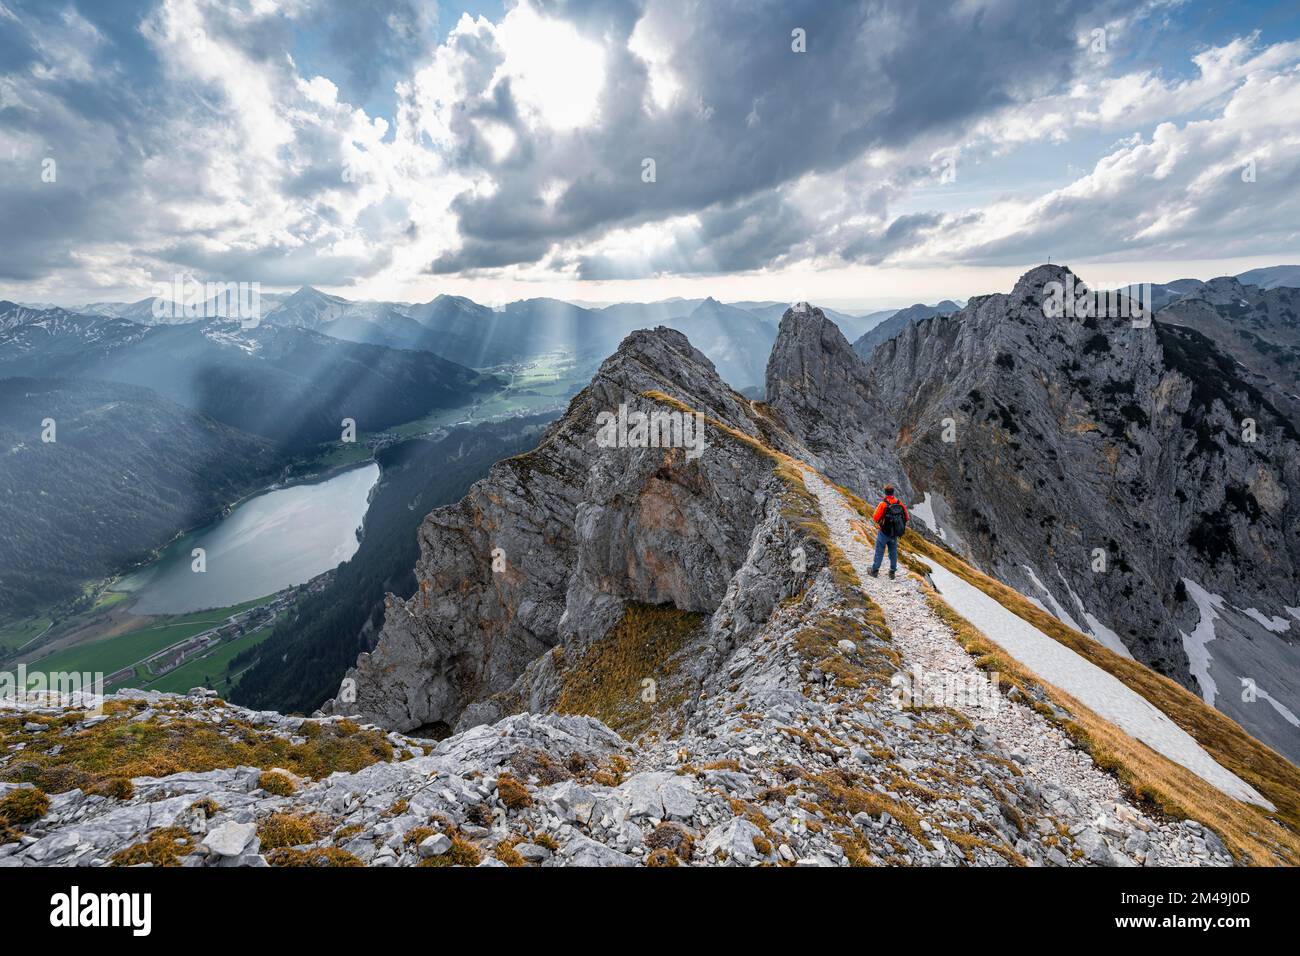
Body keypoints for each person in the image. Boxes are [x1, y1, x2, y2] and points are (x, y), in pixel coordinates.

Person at [869, 484, 908, 579]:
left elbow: (875, 517)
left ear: (885, 493)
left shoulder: (883, 504)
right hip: (894, 533)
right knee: (893, 552)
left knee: (879, 551)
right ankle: (892, 572)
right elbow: (906, 517)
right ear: (893, 492)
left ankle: (874, 570)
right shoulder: (899, 503)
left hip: (884, 532)